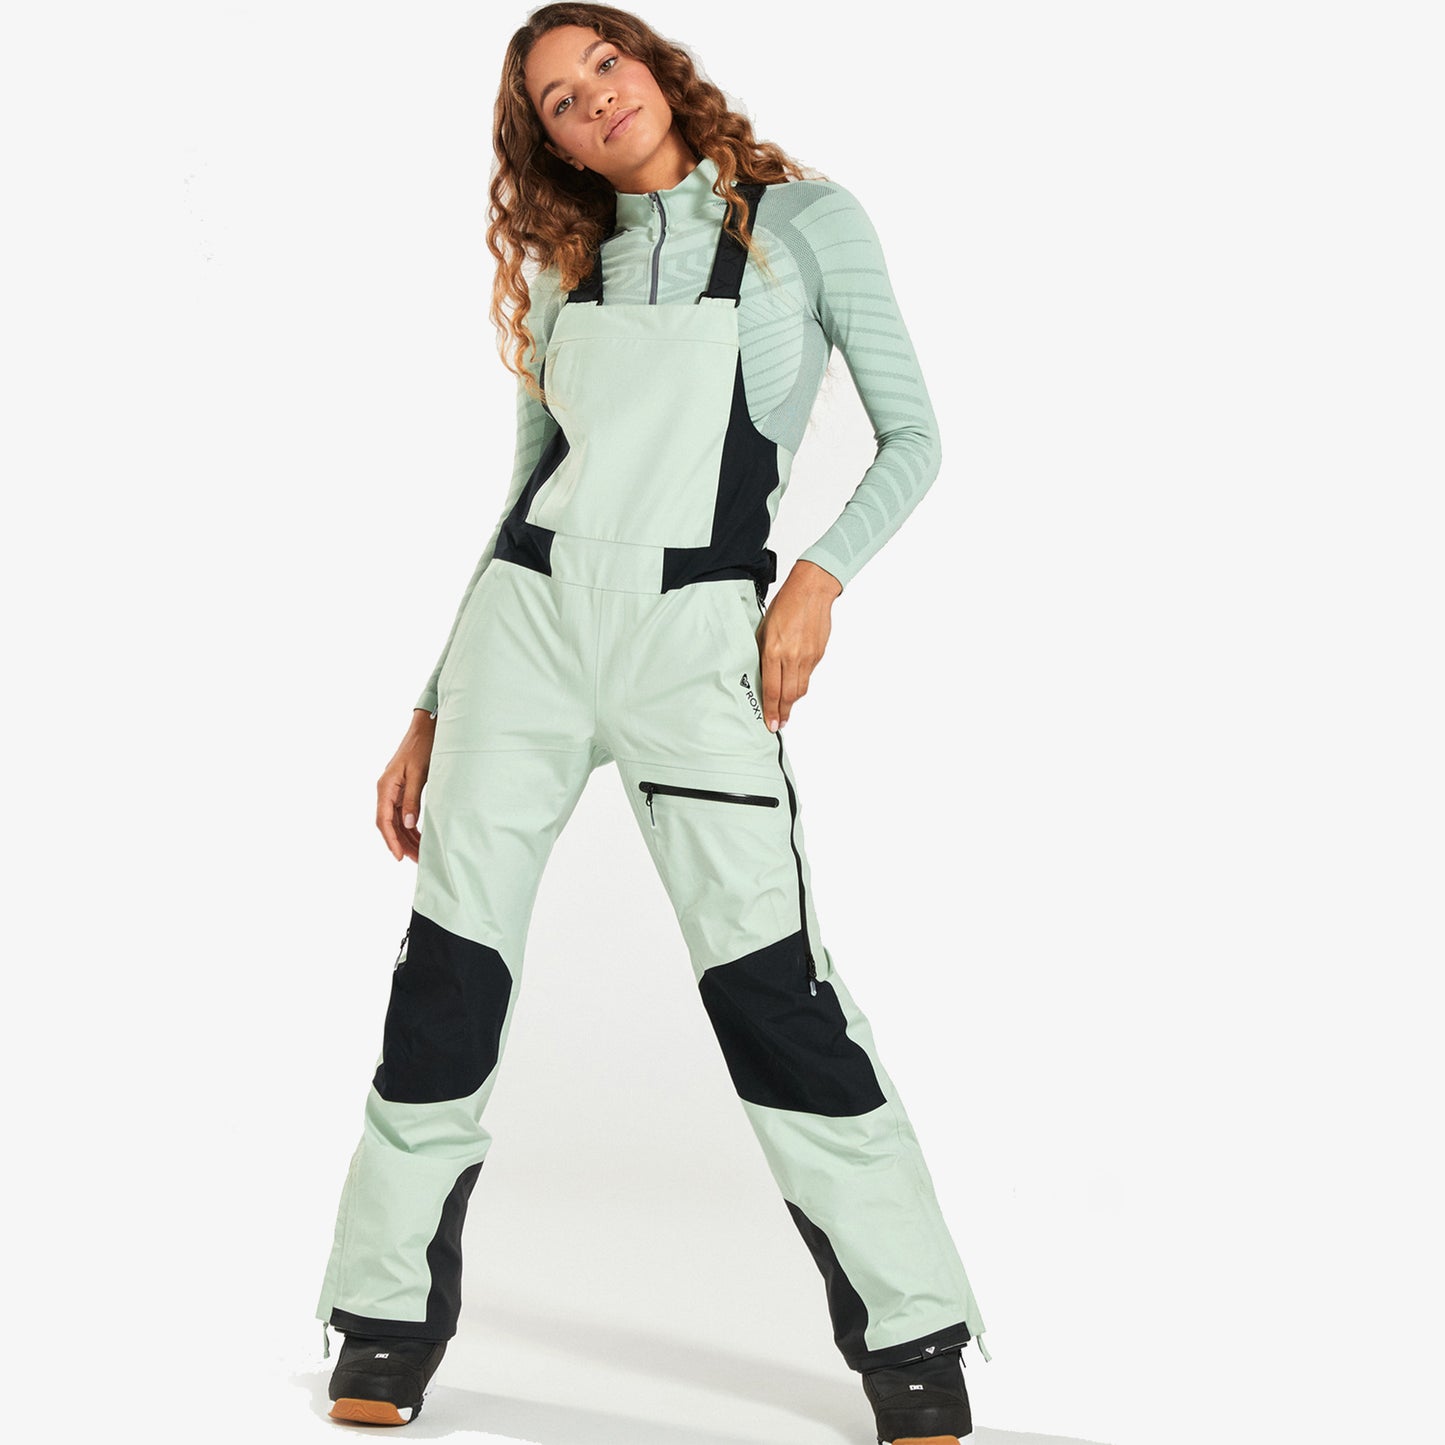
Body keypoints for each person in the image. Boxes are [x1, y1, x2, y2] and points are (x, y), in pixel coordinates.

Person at [315, 4, 991, 1439]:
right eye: (559, 101)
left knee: (772, 983)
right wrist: (429, 703)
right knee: (448, 972)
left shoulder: (807, 225)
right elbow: (524, 492)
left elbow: (916, 436)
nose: (595, 101)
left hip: (697, 638)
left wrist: (815, 579)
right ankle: (380, 1320)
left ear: (653, 66)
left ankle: (914, 1338)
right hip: (527, 634)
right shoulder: (569, 267)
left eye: (604, 66)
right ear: (550, 143)